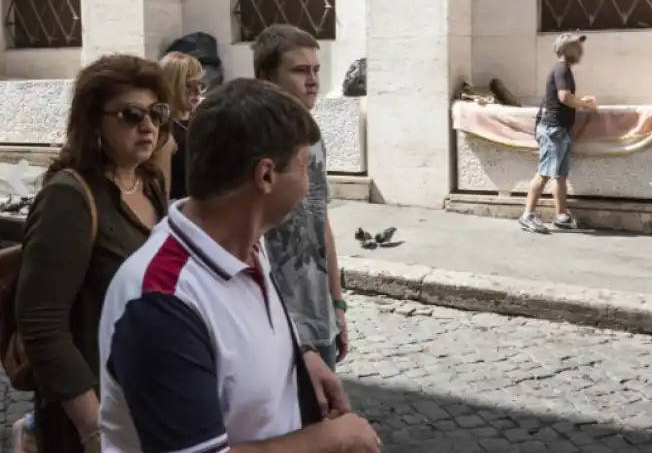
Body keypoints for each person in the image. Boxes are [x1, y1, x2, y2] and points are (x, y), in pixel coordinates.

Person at [97, 78, 381, 453]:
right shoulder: (160, 302)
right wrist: (334, 438)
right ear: (265, 175)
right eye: (304, 168)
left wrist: (301, 359)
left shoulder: (245, 244)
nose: (308, 186)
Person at [15, 54, 171, 453]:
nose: (149, 126)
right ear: (93, 122)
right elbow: (41, 324)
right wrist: (93, 427)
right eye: (132, 115)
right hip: (91, 414)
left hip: (149, 397)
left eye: (156, 112)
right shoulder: (68, 198)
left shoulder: (149, 182)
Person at [252, 24, 347, 371]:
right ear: (267, 75)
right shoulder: (252, 140)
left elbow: (320, 219)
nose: (313, 81)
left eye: (316, 70)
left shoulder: (312, 135)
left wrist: (337, 303)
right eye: (300, 70)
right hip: (273, 320)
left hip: (317, 314)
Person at [519, 33, 597, 234]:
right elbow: (564, 97)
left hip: (559, 130)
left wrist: (580, 101)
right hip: (554, 130)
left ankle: (562, 216)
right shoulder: (561, 69)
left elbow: (565, 96)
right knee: (544, 174)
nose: (580, 51)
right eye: (575, 47)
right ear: (563, 50)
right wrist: (584, 104)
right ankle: (527, 215)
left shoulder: (564, 70)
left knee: (560, 176)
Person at [151, 51, 205, 200]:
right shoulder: (163, 131)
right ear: (172, 86)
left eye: (199, 84)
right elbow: (163, 196)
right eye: (189, 85)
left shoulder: (199, 120)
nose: (197, 91)